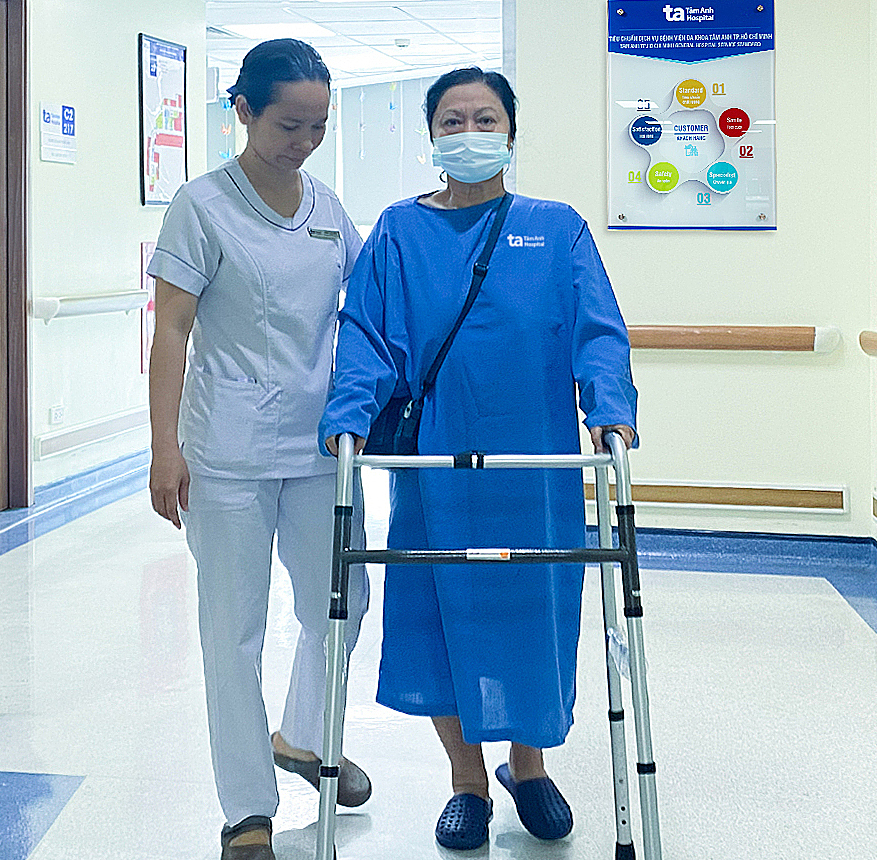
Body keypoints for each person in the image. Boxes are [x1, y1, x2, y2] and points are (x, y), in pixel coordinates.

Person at [319, 67, 637, 851]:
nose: (469, 133)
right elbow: (366, 334)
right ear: (431, 136)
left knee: (530, 608)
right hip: (437, 464)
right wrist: (347, 417)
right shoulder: (399, 231)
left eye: (484, 118)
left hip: (536, 463)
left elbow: (598, 330)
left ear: (510, 132)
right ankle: (466, 780)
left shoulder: (554, 227)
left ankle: (527, 767)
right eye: (452, 120)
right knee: (439, 614)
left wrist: (610, 411)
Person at [146, 39, 371, 860]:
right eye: (287, 125)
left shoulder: (328, 207)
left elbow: (367, 305)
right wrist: (163, 448)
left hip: (318, 449)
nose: (302, 142)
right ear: (242, 111)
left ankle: (303, 738)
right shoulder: (201, 205)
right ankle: (247, 808)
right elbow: (171, 329)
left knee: (341, 606)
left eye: (317, 127)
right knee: (232, 631)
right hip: (227, 453)